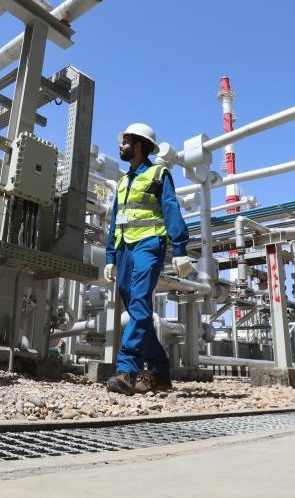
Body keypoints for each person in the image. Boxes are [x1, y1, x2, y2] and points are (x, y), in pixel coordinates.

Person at [104, 123, 194, 395]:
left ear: (139, 145)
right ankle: (160, 371)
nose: (120, 145)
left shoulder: (158, 174)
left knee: (140, 301)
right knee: (138, 311)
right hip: (124, 249)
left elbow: (170, 208)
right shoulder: (123, 182)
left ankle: (126, 370)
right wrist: (110, 256)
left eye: (125, 141)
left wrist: (180, 249)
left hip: (149, 245)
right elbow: (115, 220)